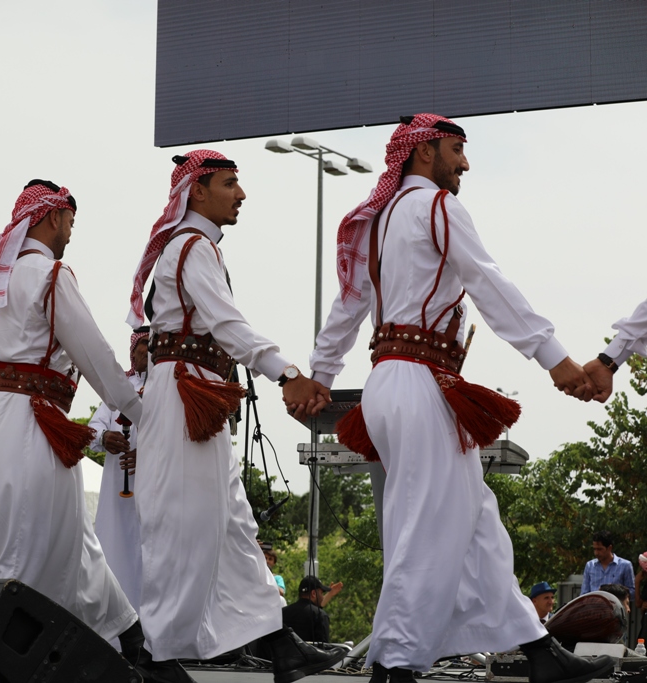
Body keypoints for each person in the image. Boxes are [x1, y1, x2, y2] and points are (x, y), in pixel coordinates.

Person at [299, 114, 614, 683]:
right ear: (424, 153)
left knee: (476, 523)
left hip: (394, 382)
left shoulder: (379, 222)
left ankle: (537, 652)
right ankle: (393, 665)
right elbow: (488, 281)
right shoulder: (437, 208)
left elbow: (348, 306)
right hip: (420, 383)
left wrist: (322, 371)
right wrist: (557, 360)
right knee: (427, 525)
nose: (464, 163)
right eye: (456, 150)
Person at [127, 150, 343, 683]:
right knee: (187, 528)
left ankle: (277, 642)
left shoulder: (196, 247)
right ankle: (158, 653)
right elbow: (227, 324)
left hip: (199, 396)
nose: (240, 195)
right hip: (186, 400)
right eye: (230, 184)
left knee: (233, 528)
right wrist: (286, 371)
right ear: (197, 191)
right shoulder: (192, 246)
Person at [0, 180, 153, 676]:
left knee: (70, 536)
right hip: (33, 421)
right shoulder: (51, 275)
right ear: (53, 217)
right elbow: (97, 358)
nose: (71, 234)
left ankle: (128, 635)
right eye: (71, 223)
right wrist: (149, 419)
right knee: (25, 542)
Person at [88, 326, 149, 612]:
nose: (147, 350)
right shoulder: (117, 390)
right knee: (114, 556)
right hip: (117, 499)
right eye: (143, 344)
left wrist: (148, 455)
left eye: (153, 345)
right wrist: (104, 437)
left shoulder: (167, 388)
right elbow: (92, 429)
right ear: (133, 351)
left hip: (153, 492)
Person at [283, 577, 334, 644]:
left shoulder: (282, 613)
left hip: (283, 654)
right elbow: (323, 647)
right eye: (321, 593)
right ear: (313, 593)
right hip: (309, 654)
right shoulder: (319, 615)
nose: (322, 597)